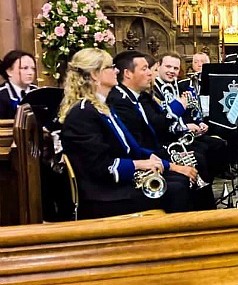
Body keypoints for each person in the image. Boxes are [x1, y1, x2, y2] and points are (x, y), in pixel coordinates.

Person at [59, 48, 195, 219]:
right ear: (95, 75)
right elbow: (101, 167)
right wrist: (140, 165)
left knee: (179, 180)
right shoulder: (83, 113)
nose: (116, 70)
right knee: (177, 189)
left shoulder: (101, 107)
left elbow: (132, 147)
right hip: (102, 196)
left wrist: (161, 163)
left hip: (111, 185)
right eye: (110, 67)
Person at [0, 50, 37, 119]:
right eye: (25, 68)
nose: (30, 72)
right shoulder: (2, 94)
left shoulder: (38, 91)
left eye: (33, 68)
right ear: (9, 71)